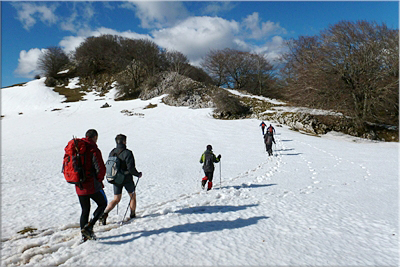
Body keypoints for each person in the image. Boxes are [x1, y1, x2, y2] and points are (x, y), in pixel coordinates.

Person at [100, 134, 142, 225]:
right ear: (124, 141)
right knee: (132, 196)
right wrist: (138, 174)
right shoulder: (128, 153)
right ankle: (132, 214)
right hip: (127, 179)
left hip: (116, 179)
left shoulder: (112, 152)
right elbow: (131, 168)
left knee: (116, 199)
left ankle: (104, 214)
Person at [77, 129, 107, 242]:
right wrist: (99, 180)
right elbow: (101, 168)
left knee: (85, 210)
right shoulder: (93, 149)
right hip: (92, 184)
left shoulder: (78, 148)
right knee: (103, 203)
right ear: (95, 137)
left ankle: (85, 237)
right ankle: (89, 227)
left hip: (79, 184)